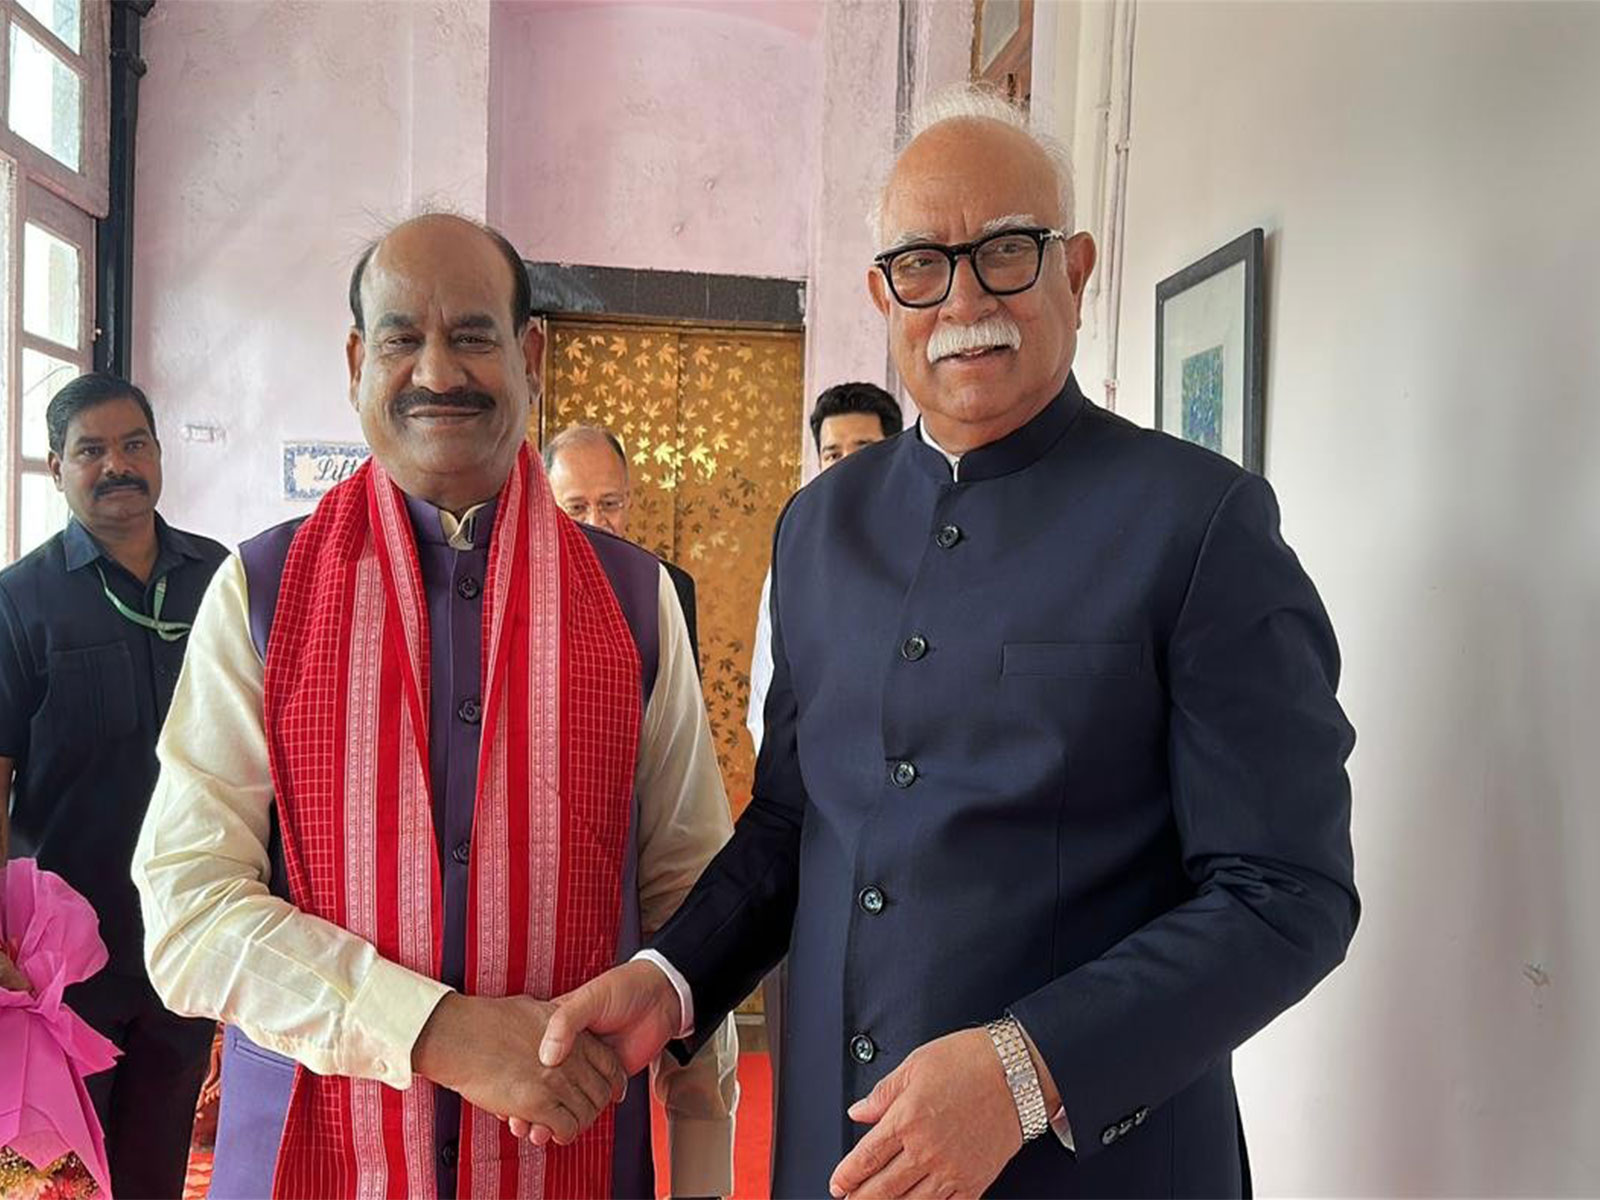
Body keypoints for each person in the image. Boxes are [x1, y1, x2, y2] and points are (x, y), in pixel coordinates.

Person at [540, 86, 1359, 1198]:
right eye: (923, 264)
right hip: (834, 1154)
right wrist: (672, 975)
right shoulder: (820, 524)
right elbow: (794, 818)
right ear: (883, 291)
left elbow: (1284, 894)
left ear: (1074, 269)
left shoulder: (1200, 523)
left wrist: (1028, 1070)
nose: (964, 298)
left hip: (1092, 1168)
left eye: (1006, 252)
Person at [132, 213, 737, 1199]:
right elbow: (186, 911)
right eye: (403, 338)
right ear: (357, 360)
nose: (437, 373)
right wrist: (439, 1031)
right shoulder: (264, 594)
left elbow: (694, 903)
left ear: (529, 355)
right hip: (308, 1150)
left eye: (471, 335)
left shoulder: (633, 602)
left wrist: (705, 1161)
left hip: (572, 1160)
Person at [0, 372, 227, 1199]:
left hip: (188, 929)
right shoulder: (21, 600)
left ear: (159, 455)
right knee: (59, 1165)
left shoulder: (220, 581)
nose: (116, 465)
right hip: (64, 948)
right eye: (91, 450)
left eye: (133, 444)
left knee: (158, 1154)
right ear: (56, 466)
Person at [745, 382, 904, 754]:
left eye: (864, 449)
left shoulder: (934, 539)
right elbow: (768, 686)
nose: (847, 464)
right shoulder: (795, 554)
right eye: (833, 453)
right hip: (823, 784)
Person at [544, 424, 701, 671]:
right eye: (576, 508)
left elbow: (682, 707)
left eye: (609, 503)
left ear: (628, 501)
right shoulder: (527, 587)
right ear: (547, 507)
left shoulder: (667, 586)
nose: (595, 522)